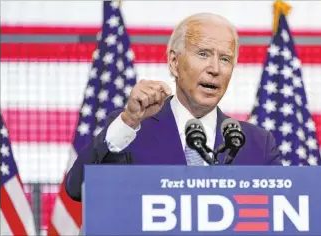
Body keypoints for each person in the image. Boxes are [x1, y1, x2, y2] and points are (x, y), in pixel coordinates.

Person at [65, 12, 281, 202]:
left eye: (225, 59)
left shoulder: (257, 145)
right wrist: (128, 122)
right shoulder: (131, 129)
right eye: (203, 54)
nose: (215, 68)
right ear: (174, 62)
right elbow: (77, 188)